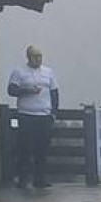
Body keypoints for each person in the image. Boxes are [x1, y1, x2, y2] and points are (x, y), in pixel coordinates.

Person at [7, 45, 60, 189]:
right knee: (25, 148)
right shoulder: (19, 72)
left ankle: (40, 178)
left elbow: (54, 92)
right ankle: (23, 178)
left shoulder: (48, 72)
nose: (38, 59)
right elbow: (11, 90)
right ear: (28, 57)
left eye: (40, 56)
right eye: (35, 56)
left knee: (42, 148)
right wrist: (27, 91)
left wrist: (54, 112)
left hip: (44, 115)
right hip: (26, 115)